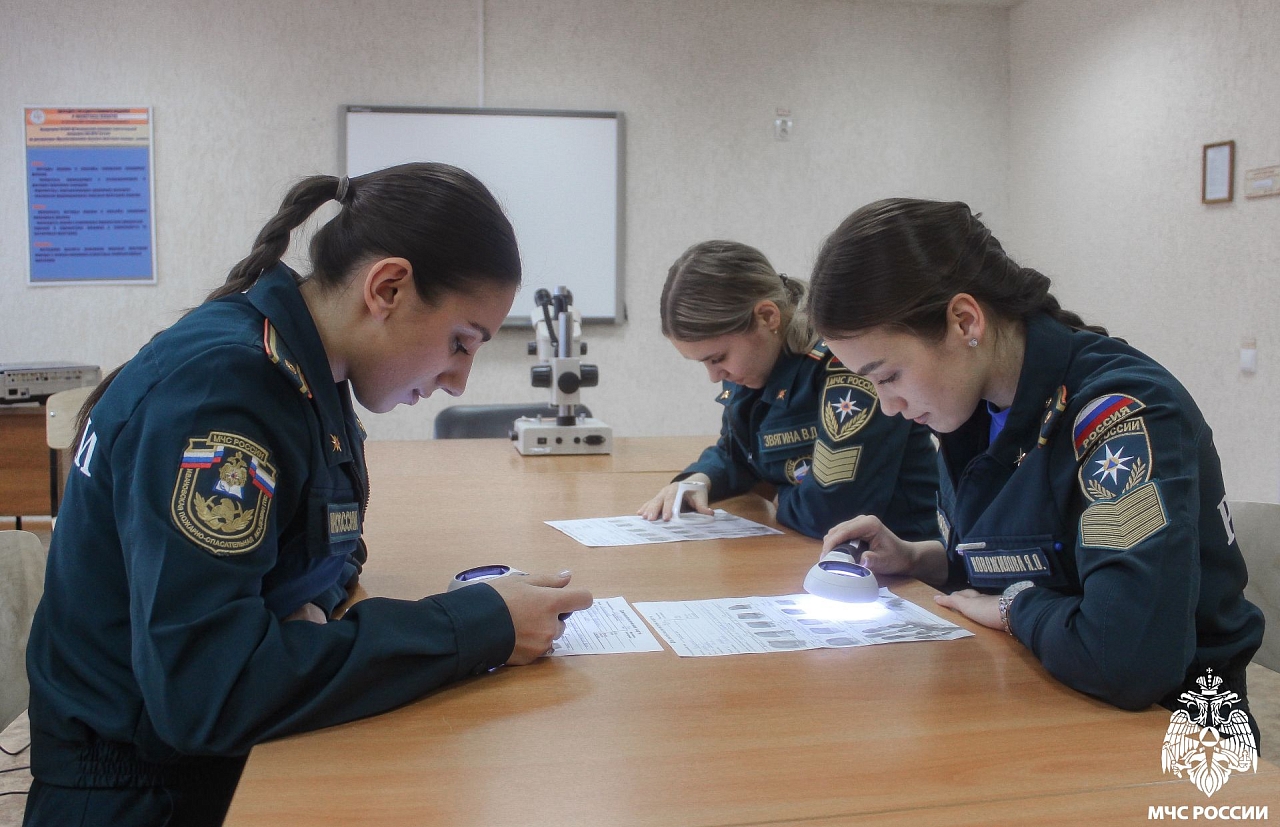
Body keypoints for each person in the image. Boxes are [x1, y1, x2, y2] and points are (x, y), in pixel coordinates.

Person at [23, 163, 593, 826]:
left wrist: (305, 610)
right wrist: (477, 624)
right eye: (461, 342)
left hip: (194, 763)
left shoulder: (309, 372)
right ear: (387, 287)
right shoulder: (226, 395)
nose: (458, 381)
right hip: (140, 796)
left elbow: (331, 544)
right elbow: (209, 694)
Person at [809, 197, 1264, 726]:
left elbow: (1125, 658)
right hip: (1042, 695)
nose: (888, 406)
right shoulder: (972, 409)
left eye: (888, 377)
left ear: (964, 321)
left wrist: (1013, 609)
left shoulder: (1122, 415)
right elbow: (1034, 562)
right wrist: (919, 559)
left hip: (1174, 735)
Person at [638, 240, 939, 542]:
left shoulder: (844, 366)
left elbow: (833, 513)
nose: (714, 377)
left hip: (892, 561)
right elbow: (739, 452)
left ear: (767, 317)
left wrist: (775, 494)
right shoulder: (753, 369)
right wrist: (698, 480)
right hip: (809, 548)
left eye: (718, 358)